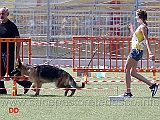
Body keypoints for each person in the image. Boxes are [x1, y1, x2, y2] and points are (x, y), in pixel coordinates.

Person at [122, 9, 159, 98]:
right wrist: (131, 29)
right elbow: (137, 38)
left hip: (136, 51)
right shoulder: (142, 26)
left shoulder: (143, 27)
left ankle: (128, 92)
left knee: (126, 70)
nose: (135, 17)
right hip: (137, 51)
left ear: (140, 17)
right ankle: (152, 85)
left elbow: (146, 40)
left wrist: (150, 53)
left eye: (136, 15)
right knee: (133, 72)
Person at [0, 6, 32, 94]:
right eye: (0, 14)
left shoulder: (12, 26)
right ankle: (1, 89)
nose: (1, 15)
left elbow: (18, 40)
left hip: (9, 52)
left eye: (3, 14)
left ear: (7, 14)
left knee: (11, 71)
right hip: (0, 52)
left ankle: (26, 83)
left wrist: (17, 53)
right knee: (0, 71)